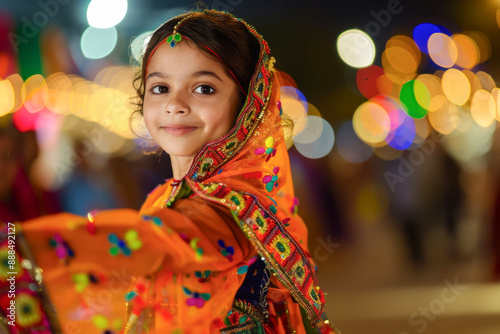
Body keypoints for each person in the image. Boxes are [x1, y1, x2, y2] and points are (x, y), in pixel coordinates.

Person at [0, 10, 338, 334]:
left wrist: (17, 247)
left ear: (249, 103)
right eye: (160, 88)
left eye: (204, 88)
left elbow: (159, 241)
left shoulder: (235, 209)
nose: (175, 104)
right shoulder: (166, 196)